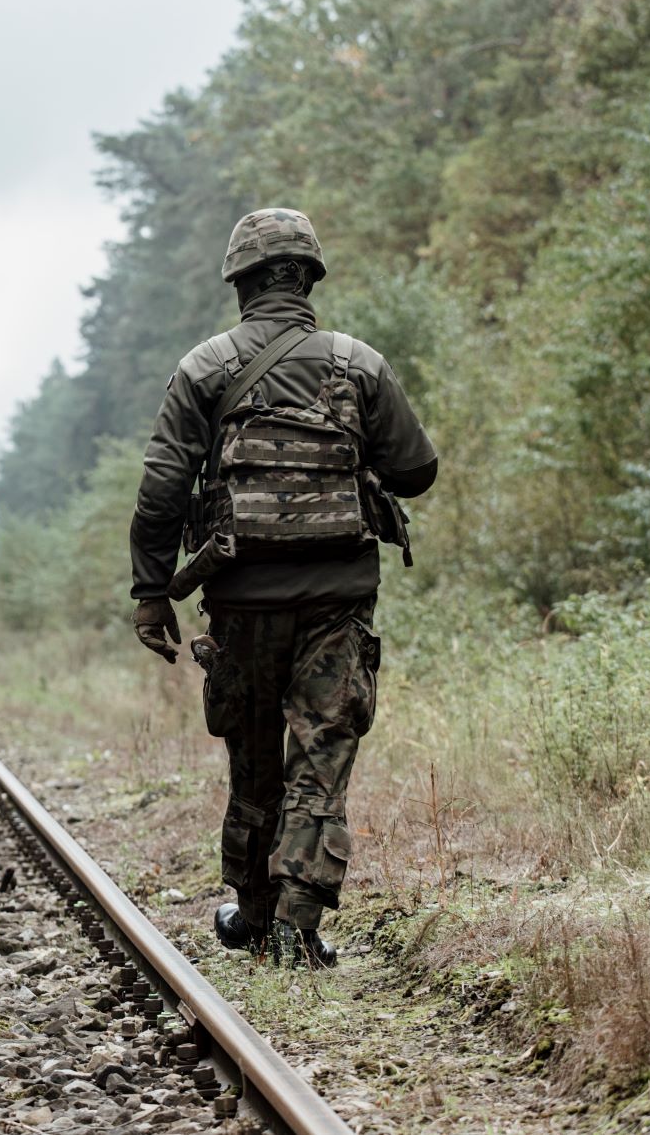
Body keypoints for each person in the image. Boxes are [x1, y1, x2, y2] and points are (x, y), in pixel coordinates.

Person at [126, 208, 436, 968]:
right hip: (337, 597)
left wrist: (151, 590)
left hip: (240, 600)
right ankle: (298, 926)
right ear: (309, 277)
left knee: (255, 761)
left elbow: (164, 484)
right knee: (320, 757)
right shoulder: (358, 364)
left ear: (240, 282)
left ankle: (255, 915)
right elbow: (417, 470)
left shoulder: (204, 367)